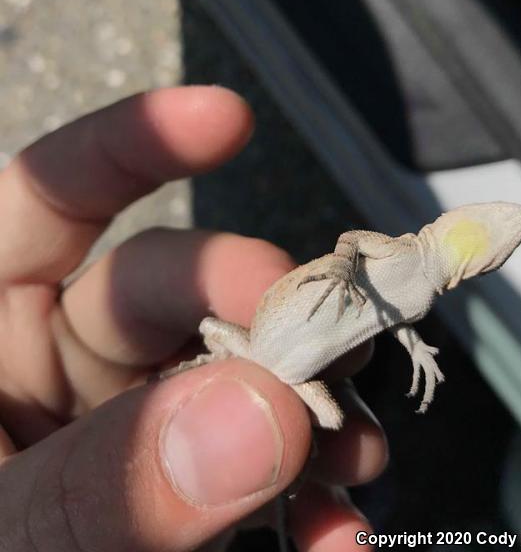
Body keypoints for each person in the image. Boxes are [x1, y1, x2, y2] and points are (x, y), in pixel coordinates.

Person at [0, 85, 387, 551]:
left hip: (264, 364)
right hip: (265, 373)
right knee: (331, 445)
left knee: (331, 440)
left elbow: (211, 328)